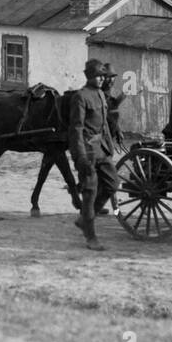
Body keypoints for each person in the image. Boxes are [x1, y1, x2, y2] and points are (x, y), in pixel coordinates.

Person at [67, 59, 114, 251]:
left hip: (101, 149)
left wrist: (109, 148)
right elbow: (75, 129)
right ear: (89, 76)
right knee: (90, 192)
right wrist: (81, 157)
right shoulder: (81, 96)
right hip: (87, 150)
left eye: (103, 75)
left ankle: (84, 219)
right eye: (98, 76)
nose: (102, 78)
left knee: (112, 183)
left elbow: (105, 126)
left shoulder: (101, 94)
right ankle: (91, 236)